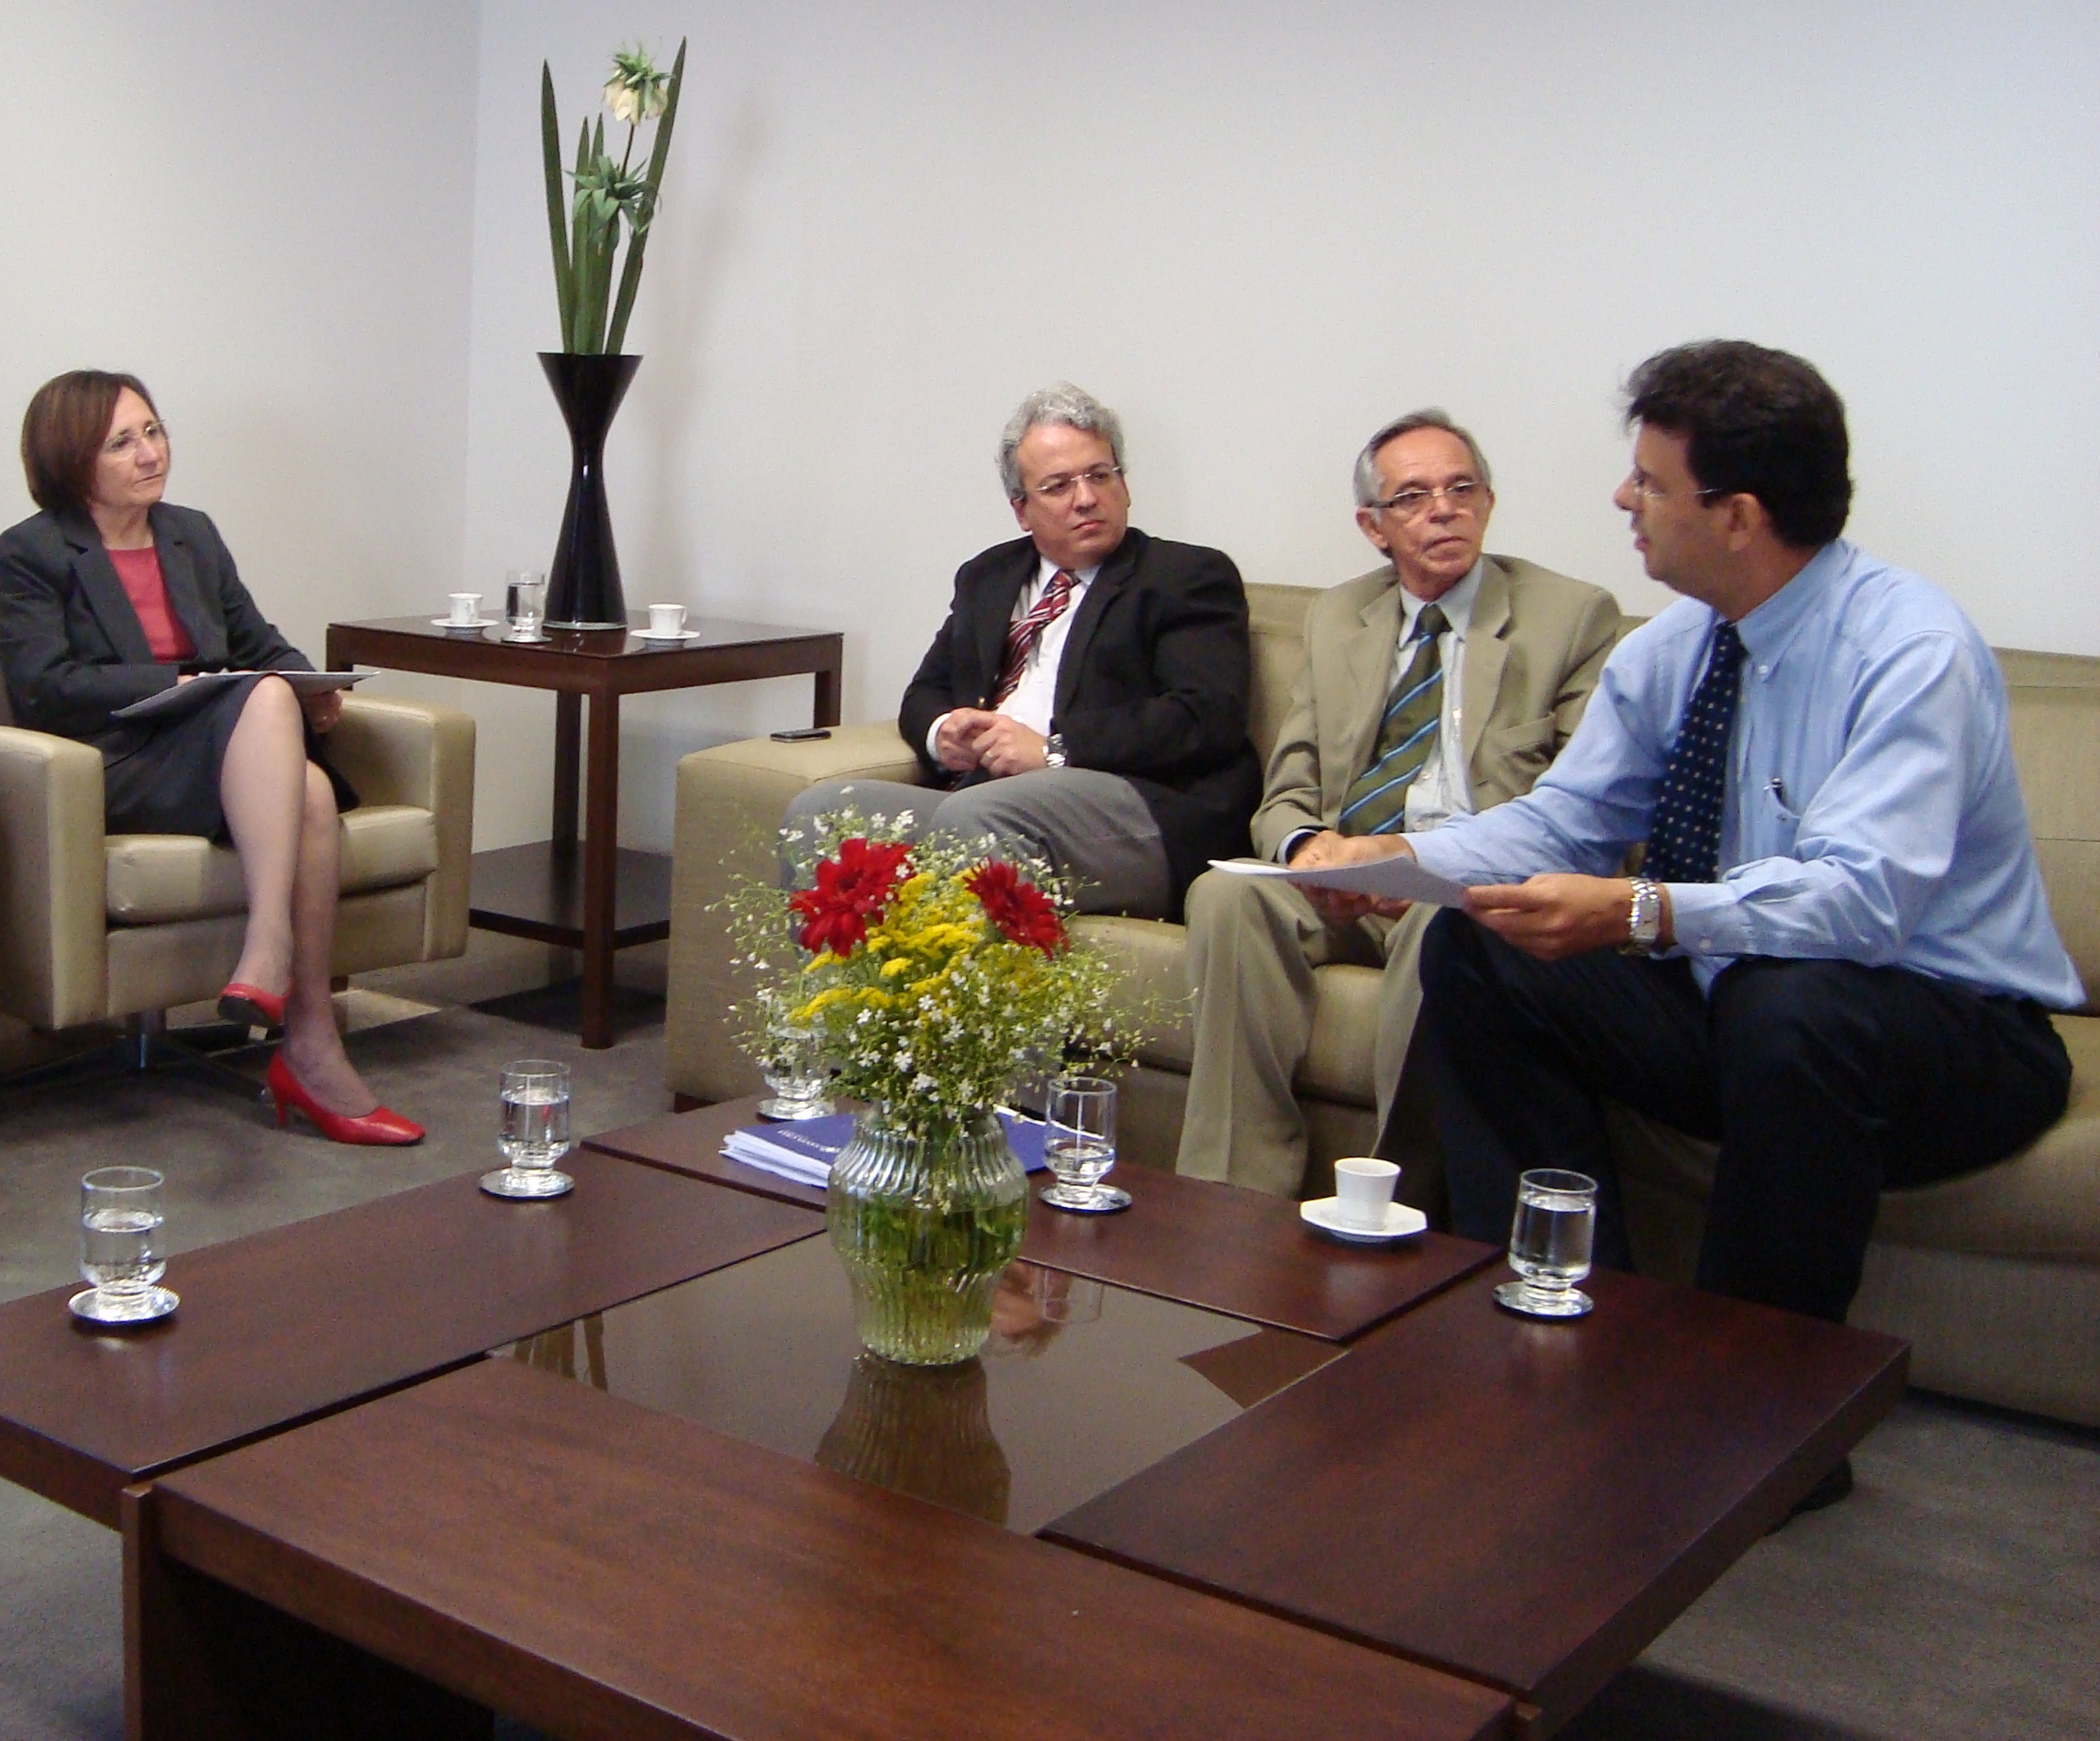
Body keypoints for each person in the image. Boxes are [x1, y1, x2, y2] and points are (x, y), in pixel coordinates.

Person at [1323, 342, 2078, 1347]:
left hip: (1951, 1031)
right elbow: (1563, 822)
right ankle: (1564, 1319)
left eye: (1649, 481)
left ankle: (1748, 1394)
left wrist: (1641, 911)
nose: (1622, 498)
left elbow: (1860, 906)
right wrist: (1402, 864)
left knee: (1788, 1003)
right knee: (1478, 947)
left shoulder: (1909, 651)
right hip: (1742, 1008)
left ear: (1738, 516)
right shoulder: (1675, 647)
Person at [1174, 412, 1620, 1201]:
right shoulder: (1339, 616)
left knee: (1443, 928)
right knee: (1227, 897)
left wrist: (1419, 866)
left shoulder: (1570, 617)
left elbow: (1585, 813)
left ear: (1487, 503)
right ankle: (1231, 1197)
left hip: (1466, 877)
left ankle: (1391, 1199)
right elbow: (1290, 783)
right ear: (1373, 527)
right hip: (1348, 870)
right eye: (1413, 497)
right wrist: (1308, 849)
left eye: (1461, 490)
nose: (1443, 510)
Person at [0, 371, 421, 1145]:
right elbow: (42, 686)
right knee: (271, 720)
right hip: (116, 761)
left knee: (309, 783)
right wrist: (179, 684)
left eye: (154, 431)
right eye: (122, 442)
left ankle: (309, 1042)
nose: (150, 453)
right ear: (72, 458)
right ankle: (276, 961)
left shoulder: (191, 534)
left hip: (216, 748)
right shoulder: (32, 550)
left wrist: (313, 685)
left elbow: (258, 640)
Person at [784, 383, 1255, 918]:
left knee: (979, 817)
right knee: (823, 813)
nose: (1086, 498)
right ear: (1021, 510)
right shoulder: (989, 577)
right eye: (1058, 486)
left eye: (1100, 475)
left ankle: (989, 977)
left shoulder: (1185, 576)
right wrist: (944, 735)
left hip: (1141, 808)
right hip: (986, 799)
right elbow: (927, 691)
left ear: (1124, 485)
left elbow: (1205, 715)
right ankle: (862, 982)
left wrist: (1054, 750)